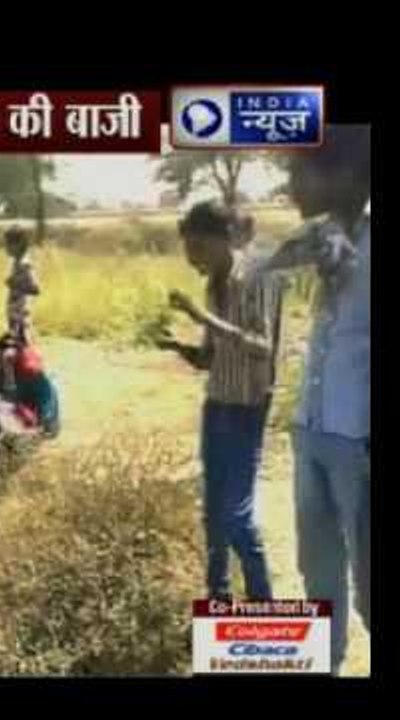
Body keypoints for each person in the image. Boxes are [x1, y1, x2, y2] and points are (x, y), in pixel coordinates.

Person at [253, 126, 370, 674]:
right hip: (313, 429)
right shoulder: (321, 240)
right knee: (316, 571)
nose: (291, 185)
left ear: (346, 177)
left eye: (301, 172)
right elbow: (254, 268)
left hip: (360, 442)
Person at [163, 200, 284, 602]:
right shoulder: (213, 285)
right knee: (213, 515)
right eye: (188, 252)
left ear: (224, 239)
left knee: (236, 516)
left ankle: (262, 604)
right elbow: (209, 358)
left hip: (246, 408)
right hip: (217, 405)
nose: (193, 260)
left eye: (198, 250)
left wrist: (202, 317)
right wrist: (178, 346)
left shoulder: (256, 277)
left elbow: (262, 347)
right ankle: (219, 599)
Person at [4, 228, 40, 344]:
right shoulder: (17, 262)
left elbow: (35, 289)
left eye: (9, 244)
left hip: (20, 313)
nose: (6, 248)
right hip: (15, 311)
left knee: (22, 344)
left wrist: (15, 284)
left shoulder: (25, 264)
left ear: (19, 244)